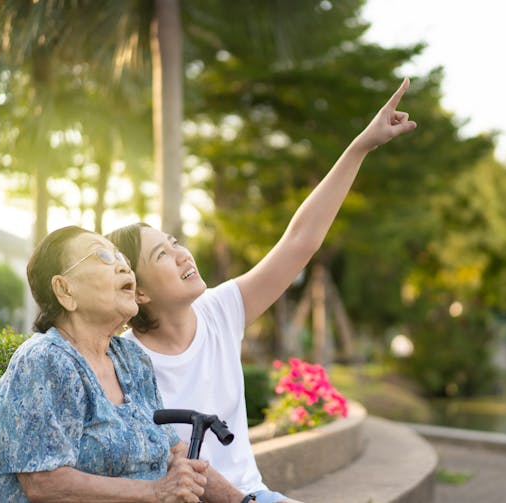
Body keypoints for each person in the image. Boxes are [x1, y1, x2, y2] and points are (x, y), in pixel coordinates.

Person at [107, 78, 417, 503]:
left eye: (176, 242)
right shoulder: (125, 362)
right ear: (137, 292)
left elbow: (300, 240)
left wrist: (362, 144)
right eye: (162, 254)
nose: (182, 254)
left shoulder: (220, 310)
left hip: (253, 496)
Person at [0, 226, 244, 502]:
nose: (124, 268)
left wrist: (242, 500)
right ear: (65, 291)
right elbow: (44, 483)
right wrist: (156, 491)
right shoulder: (45, 360)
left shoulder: (131, 359)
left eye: (123, 258)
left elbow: (173, 451)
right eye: (103, 257)